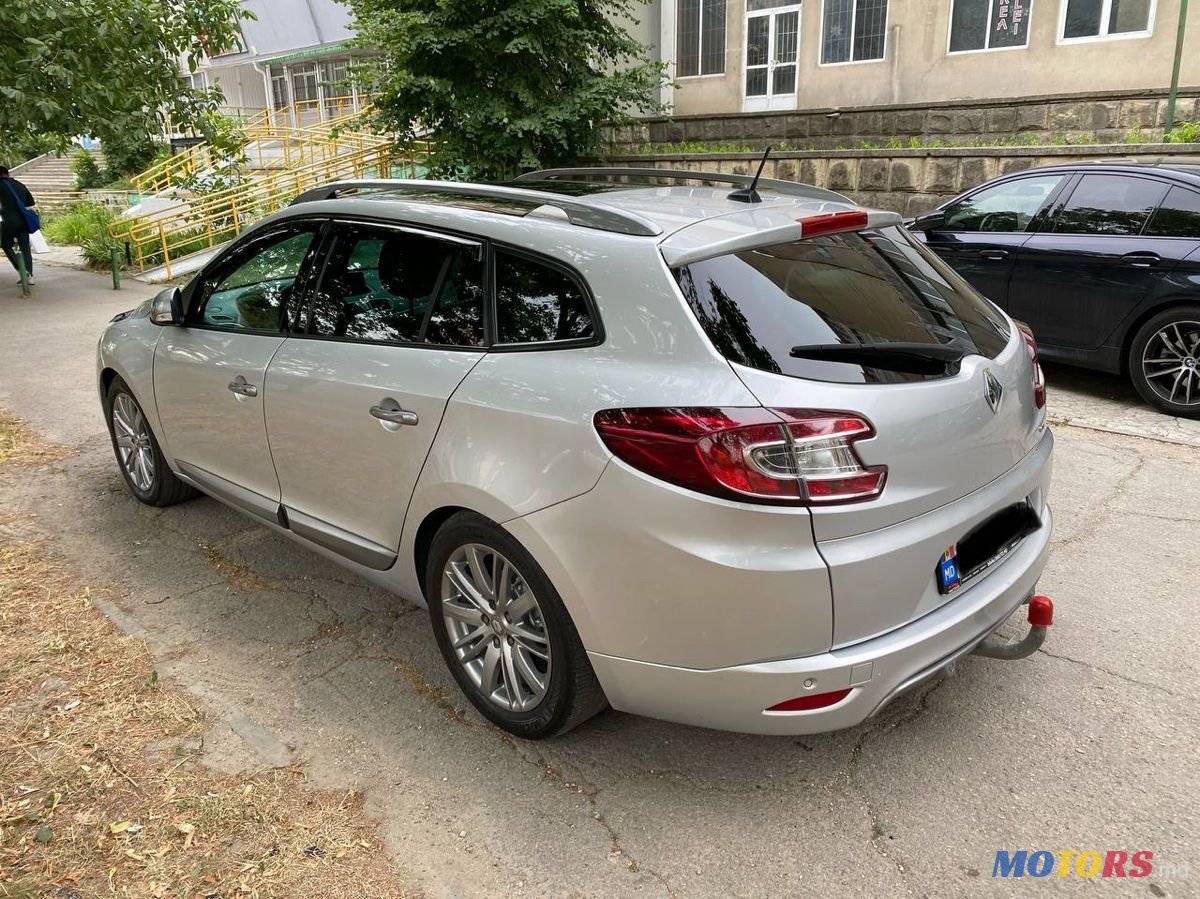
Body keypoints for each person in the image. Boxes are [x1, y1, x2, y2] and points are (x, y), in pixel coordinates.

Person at [0, 165, 36, 286]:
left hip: (9, 221)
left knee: (5, 244)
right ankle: (30, 275)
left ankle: (22, 270)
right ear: (7, 173)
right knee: (25, 248)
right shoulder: (19, 184)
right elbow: (31, 202)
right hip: (23, 221)